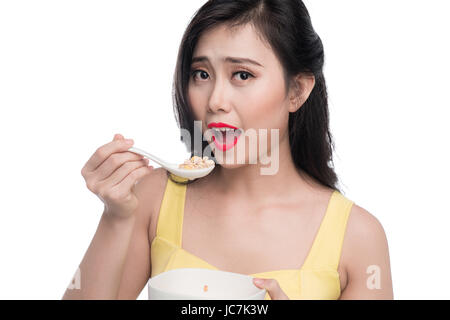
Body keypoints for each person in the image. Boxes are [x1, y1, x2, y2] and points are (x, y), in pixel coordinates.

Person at [63, 0, 393, 300]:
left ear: (297, 90)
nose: (215, 101)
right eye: (202, 74)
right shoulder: (151, 198)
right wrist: (116, 216)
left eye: (242, 74)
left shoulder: (359, 237)